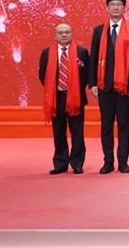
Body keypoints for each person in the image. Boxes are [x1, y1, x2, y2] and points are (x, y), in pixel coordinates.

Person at [89, 0, 129, 174]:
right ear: (107, 8)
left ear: (124, 8)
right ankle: (108, 162)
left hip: (124, 87)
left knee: (123, 125)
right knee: (106, 126)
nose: (115, 7)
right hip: (104, 86)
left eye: (119, 4)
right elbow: (93, 57)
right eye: (112, 4)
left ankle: (123, 162)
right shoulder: (99, 30)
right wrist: (93, 82)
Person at [38, 22, 89, 175]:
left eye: (67, 32)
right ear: (55, 35)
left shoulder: (81, 51)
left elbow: (87, 74)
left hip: (76, 97)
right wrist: (54, 89)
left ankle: (77, 163)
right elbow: (42, 75)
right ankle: (60, 163)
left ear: (71, 33)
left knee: (77, 132)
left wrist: (75, 90)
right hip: (57, 98)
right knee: (58, 131)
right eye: (60, 32)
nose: (64, 35)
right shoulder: (47, 53)